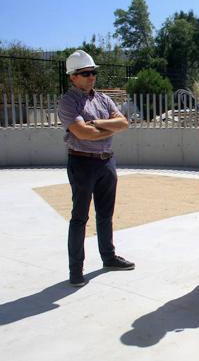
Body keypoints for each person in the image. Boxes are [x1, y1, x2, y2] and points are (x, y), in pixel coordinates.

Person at [58, 50, 134, 287]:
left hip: (106, 161)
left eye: (93, 72)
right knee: (79, 217)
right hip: (82, 162)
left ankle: (108, 257)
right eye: (85, 73)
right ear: (72, 77)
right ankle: (76, 270)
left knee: (105, 214)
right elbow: (82, 132)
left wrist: (98, 124)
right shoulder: (68, 101)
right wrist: (109, 128)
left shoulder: (103, 99)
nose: (91, 76)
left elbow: (124, 122)